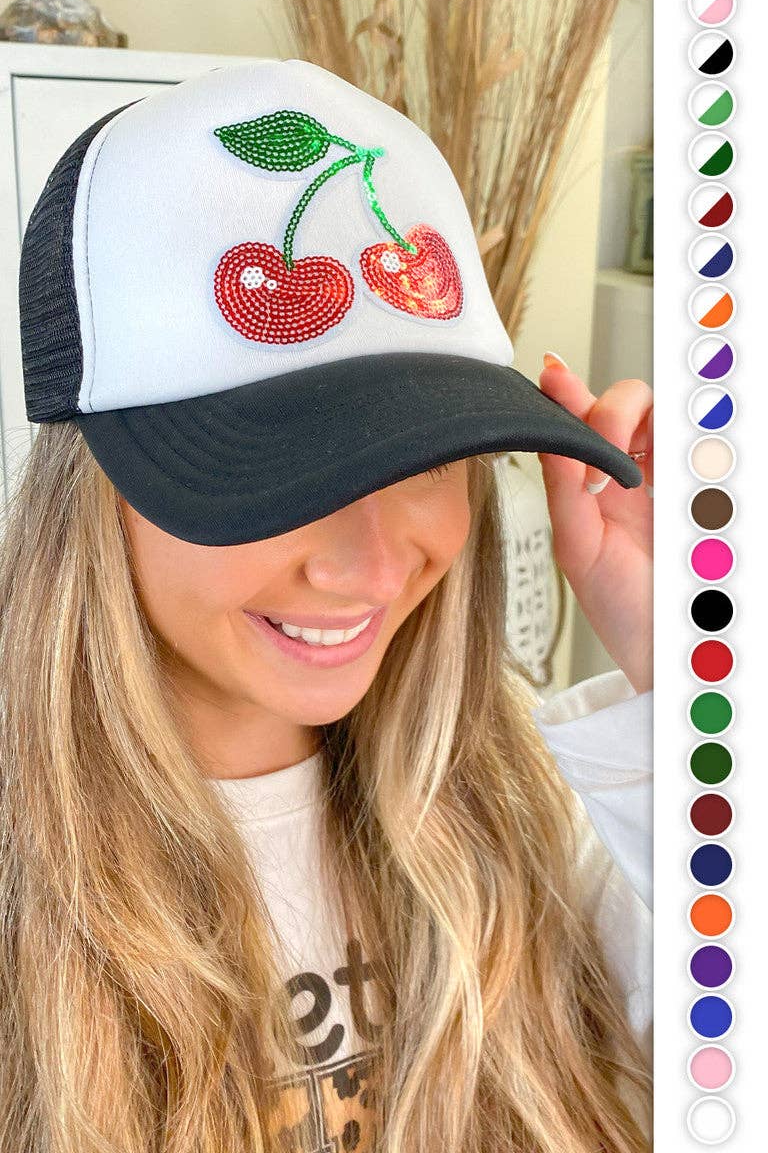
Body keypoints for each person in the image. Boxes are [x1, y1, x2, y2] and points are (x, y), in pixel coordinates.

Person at [0, 60, 652, 1153]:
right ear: (95, 488)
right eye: (287, 468)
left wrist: (680, 659)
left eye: (425, 456)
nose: (371, 563)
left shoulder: (529, 808)